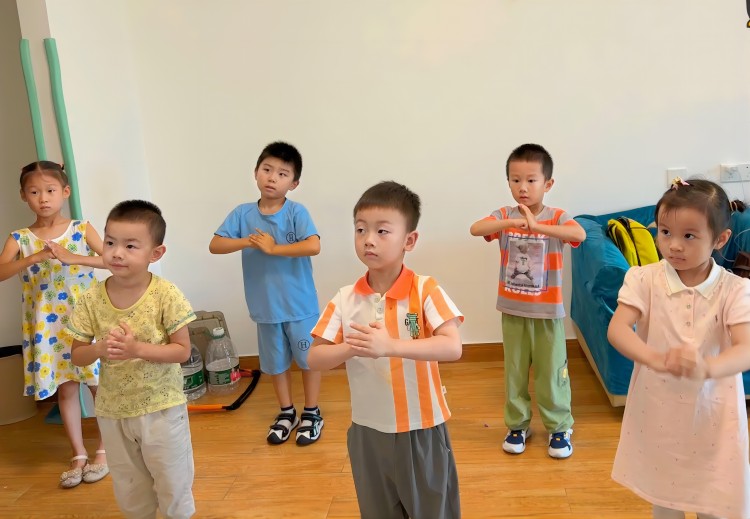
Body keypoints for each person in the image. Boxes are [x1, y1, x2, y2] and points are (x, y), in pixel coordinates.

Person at [308, 181, 463, 519]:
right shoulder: (345, 298)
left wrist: (390, 346)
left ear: (409, 240)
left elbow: (453, 346)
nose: (368, 240)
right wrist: (351, 348)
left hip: (421, 428)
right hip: (367, 430)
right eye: (360, 229)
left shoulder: (425, 289)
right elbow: (314, 357)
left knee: (432, 511)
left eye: (381, 231)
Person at [607, 178, 750, 519]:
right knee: (665, 496)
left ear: (720, 239)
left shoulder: (734, 290)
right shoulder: (644, 279)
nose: (673, 245)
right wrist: (655, 358)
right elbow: (618, 329)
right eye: (665, 232)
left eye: (689, 236)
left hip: (715, 415)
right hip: (658, 411)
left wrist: (708, 367)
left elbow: (746, 347)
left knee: (715, 499)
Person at [68, 200, 197, 519]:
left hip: (162, 409)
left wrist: (136, 349)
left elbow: (182, 351)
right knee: (130, 490)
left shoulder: (166, 294)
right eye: (110, 242)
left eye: (130, 246)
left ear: (156, 253)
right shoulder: (90, 299)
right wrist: (100, 348)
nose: (116, 253)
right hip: (113, 412)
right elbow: (77, 355)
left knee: (173, 484)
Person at [469, 143, 586, 458]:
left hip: (547, 313)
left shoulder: (557, 217)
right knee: (515, 372)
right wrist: (510, 224)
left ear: (547, 184)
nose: (523, 187)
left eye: (531, 180)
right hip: (513, 311)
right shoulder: (504, 215)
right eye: (515, 180)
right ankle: (517, 425)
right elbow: (476, 229)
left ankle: (559, 427)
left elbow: (579, 235)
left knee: (552, 373)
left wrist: (537, 227)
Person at [0, 161, 108, 488]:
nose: (43, 198)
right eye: (34, 192)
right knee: (66, 389)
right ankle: (78, 454)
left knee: (99, 386)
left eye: (50, 190)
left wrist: (72, 257)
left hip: (85, 323)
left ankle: (104, 450)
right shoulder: (20, 238)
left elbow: (109, 259)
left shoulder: (81, 228)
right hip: (49, 330)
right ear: (24, 196)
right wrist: (32, 258)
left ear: (65, 192)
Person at [210, 141, 324, 445]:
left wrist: (274, 248)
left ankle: (312, 412)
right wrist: (248, 241)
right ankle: (287, 412)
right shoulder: (242, 213)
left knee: (309, 360)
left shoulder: (297, 212)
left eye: (282, 173)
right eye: (267, 169)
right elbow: (216, 245)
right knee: (275, 364)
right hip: (266, 308)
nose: (272, 177)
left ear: (294, 183)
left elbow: (313, 245)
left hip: (300, 306)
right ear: (256, 172)